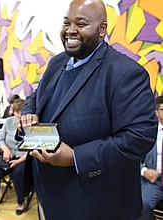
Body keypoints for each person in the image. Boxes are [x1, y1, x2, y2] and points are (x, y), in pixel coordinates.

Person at [16, 0, 158, 219]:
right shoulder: (57, 62)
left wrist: (75, 158)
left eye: (80, 24)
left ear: (102, 29)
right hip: (48, 195)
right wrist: (28, 112)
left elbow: (138, 138)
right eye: (67, 23)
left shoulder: (126, 73)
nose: (70, 30)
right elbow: (37, 95)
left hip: (97, 203)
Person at [0, 99, 27, 216]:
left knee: (17, 174)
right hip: (7, 155)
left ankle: (21, 202)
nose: (20, 115)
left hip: (23, 157)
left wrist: (18, 161)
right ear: (14, 112)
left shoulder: (30, 124)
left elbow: (32, 148)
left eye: (22, 113)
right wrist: (5, 149)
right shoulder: (8, 122)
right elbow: (0, 139)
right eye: (18, 112)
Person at [137, 96, 163, 220]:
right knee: (142, 202)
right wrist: (144, 171)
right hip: (154, 181)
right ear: (156, 112)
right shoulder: (147, 132)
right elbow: (133, 157)